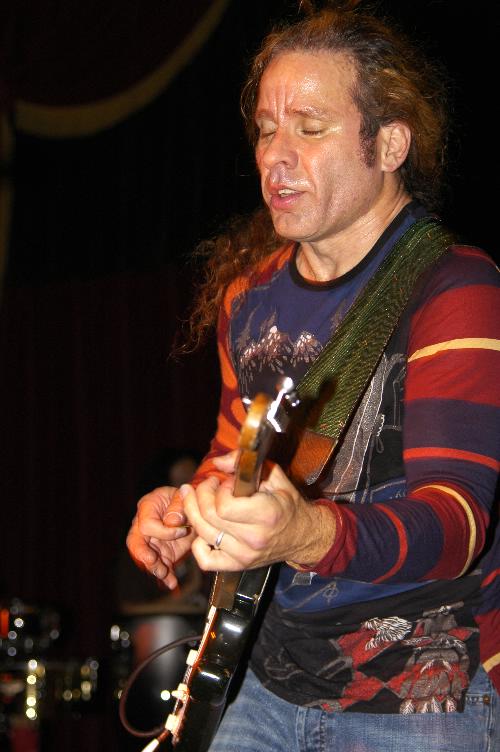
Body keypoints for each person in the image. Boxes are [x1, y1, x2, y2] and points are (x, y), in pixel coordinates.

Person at [126, 3, 500, 750]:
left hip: (416, 694)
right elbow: (236, 456)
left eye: (310, 127)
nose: (276, 156)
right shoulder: (249, 298)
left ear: (388, 143)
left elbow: (456, 523)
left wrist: (302, 531)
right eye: (267, 129)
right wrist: (191, 506)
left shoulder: (455, 287)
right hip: (258, 682)